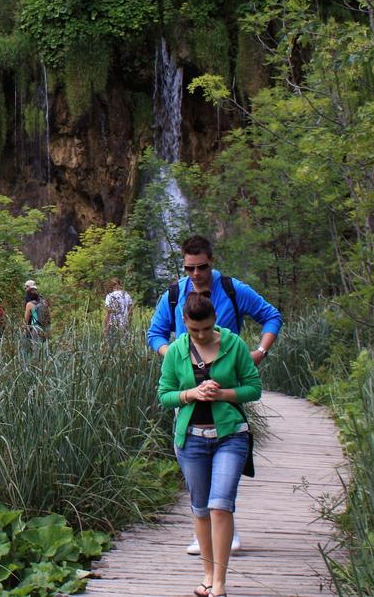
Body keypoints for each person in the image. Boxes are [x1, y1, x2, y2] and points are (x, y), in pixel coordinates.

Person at [148, 233, 282, 555]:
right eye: (189, 268)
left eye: (202, 267)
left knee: (226, 455)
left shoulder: (233, 290)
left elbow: (271, 315)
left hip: (228, 387)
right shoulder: (173, 295)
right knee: (197, 464)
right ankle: (204, 532)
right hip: (188, 393)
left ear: (212, 260)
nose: (195, 274)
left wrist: (259, 352)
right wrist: (177, 359)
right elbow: (154, 334)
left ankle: (225, 526)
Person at [157, 292, 261, 597]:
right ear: (185, 324)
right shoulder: (176, 351)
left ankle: (219, 584)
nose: (201, 335)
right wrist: (191, 393)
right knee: (200, 509)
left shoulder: (234, 345)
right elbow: (165, 395)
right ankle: (207, 574)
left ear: (214, 320)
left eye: (206, 328)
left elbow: (253, 388)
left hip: (231, 435)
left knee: (220, 505)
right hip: (191, 440)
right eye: (194, 330)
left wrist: (223, 394)